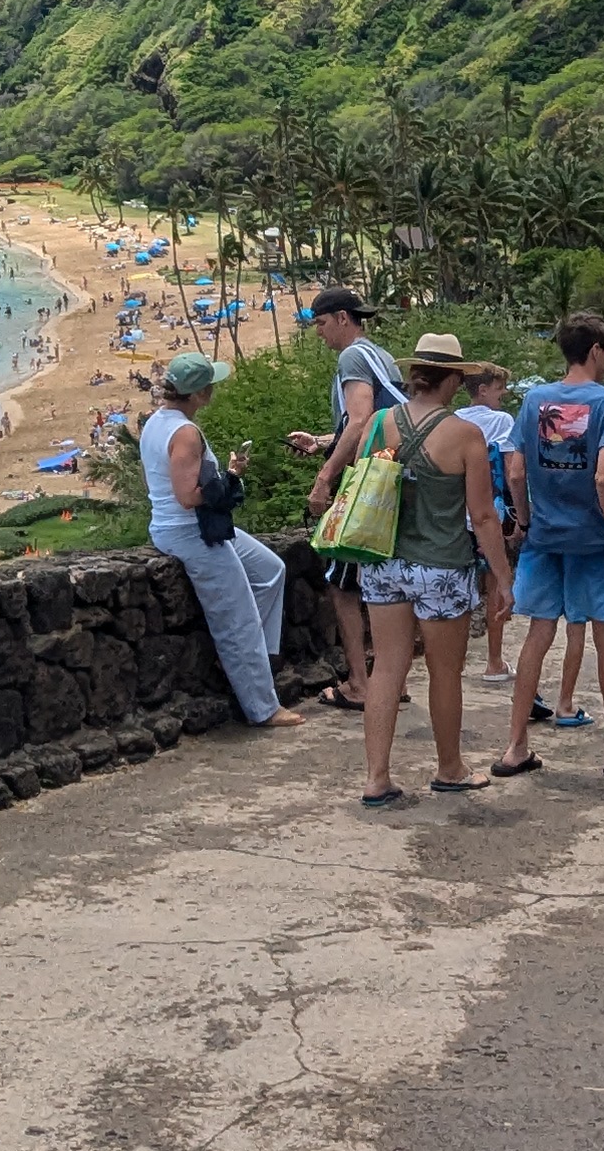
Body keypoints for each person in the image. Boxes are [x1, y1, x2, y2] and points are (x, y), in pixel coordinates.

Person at [359, 352, 518, 804]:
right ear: (450, 379)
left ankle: (376, 777)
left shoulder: (379, 423)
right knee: (444, 671)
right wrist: (503, 579)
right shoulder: (465, 435)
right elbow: (484, 516)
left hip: (384, 561)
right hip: (442, 567)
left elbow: (362, 479)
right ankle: (450, 767)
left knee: (387, 667)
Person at [495, 313, 604, 781]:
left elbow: (515, 471)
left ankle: (516, 746)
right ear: (596, 350)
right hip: (592, 541)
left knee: (538, 635)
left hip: (545, 538)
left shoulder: (535, 400)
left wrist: (525, 519)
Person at [141, 354, 303, 728]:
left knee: (270, 570)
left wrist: (226, 475)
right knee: (237, 617)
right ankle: (262, 706)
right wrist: (227, 480)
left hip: (183, 526)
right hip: (189, 530)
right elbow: (188, 496)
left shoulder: (156, 423)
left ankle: (254, 662)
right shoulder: (184, 433)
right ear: (199, 392)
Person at [289, 286, 411, 709]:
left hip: (367, 486)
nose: (320, 334)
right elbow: (375, 421)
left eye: (321, 324)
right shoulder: (383, 356)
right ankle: (394, 680)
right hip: (396, 478)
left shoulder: (351, 357)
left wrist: (324, 479)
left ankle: (360, 683)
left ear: (342, 318)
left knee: (343, 587)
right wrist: (325, 439)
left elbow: (359, 419)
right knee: (386, 584)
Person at [462, 362, 526, 682]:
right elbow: (513, 470)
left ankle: (452, 660)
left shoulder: (452, 420)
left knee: (459, 588)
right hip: (493, 512)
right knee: (496, 587)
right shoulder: (502, 421)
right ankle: (494, 661)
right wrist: (520, 517)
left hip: (458, 516)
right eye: (499, 388)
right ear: (483, 390)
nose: (503, 394)